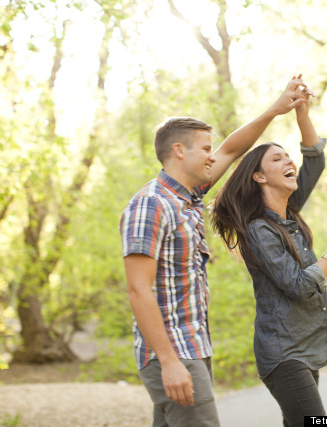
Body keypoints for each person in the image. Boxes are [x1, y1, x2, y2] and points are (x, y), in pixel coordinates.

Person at [119, 76, 311, 427]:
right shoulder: (152, 205)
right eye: (205, 148)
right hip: (174, 352)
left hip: (193, 347)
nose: (213, 155)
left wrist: (275, 109)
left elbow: (233, 149)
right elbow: (137, 289)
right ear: (179, 151)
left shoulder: (188, 197)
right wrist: (170, 361)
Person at [210, 80, 327, 427]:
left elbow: (314, 160)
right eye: (277, 158)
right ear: (260, 176)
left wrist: (302, 114)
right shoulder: (259, 229)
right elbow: (297, 285)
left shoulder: (287, 213)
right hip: (284, 355)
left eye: (286, 156)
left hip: (305, 348)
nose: (288, 160)